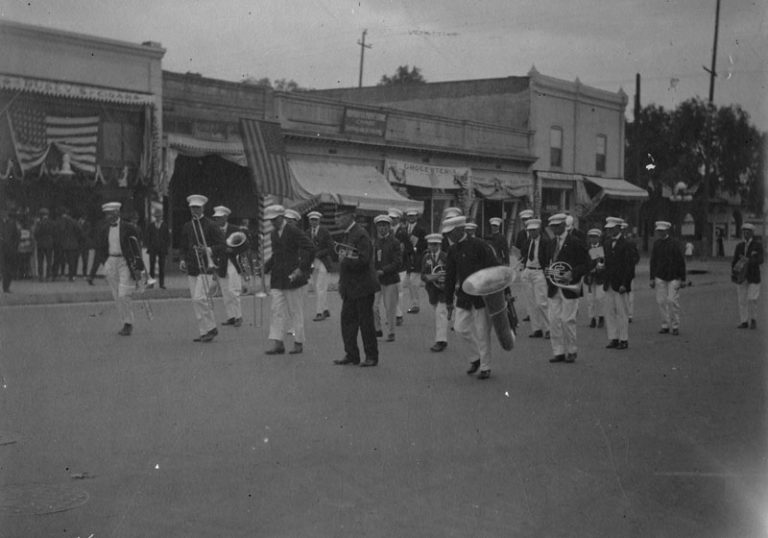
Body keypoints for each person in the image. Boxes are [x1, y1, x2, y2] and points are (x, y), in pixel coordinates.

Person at [443, 216, 499, 379]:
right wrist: (448, 300)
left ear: (460, 230)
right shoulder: (453, 250)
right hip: (464, 295)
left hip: (483, 296)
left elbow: (494, 267)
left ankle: (485, 367)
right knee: (460, 329)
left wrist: (499, 292)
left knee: (482, 332)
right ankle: (476, 358)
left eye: (450, 233)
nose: (448, 237)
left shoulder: (480, 245)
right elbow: (450, 276)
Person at [263, 204, 313, 355]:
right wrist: (265, 267)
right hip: (278, 278)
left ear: (281, 217)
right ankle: (278, 343)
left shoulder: (292, 230)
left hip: (293, 277)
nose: (272, 223)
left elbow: (310, 248)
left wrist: (301, 268)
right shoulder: (273, 234)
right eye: (270, 220)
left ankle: (298, 342)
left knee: (295, 311)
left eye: (275, 219)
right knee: (276, 310)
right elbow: (276, 255)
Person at [333, 208, 380, 367]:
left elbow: (364, 260)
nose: (336, 219)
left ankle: (371, 356)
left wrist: (345, 261)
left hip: (363, 287)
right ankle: (351, 354)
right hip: (350, 287)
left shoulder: (360, 234)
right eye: (335, 216)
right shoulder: (348, 234)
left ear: (349, 216)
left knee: (365, 323)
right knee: (347, 322)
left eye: (339, 216)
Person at [179, 194, 225, 343]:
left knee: (200, 298)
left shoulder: (211, 225)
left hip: (206, 267)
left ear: (203, 208)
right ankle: (204, 331)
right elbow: (183, 246)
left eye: (197, 208)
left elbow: (223, 246)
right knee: (196, 301)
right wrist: (182, 259)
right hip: (192, 267)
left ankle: (211, 328)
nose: (195, 210)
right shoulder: (187, 226)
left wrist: (208, 249)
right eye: (192, 208)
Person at [544, 213, 590, 363]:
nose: (554, 229)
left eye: (556, 226)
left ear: (564, 226)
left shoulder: (575, 242)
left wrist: (572, 273)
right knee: (553, 320)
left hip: (570, 286)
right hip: (554, 286)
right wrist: (548, 271)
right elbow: (549, 263)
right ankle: (558, 352)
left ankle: (571, 351)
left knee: (567, 320)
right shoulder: (551, 243)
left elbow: (588, 263)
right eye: (552, 227)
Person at [94, 202, 144, 335]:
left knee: (124, 293)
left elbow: (136, 248)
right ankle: (125, 322)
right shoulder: (103, 228)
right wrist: (105, 262)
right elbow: (100, 246)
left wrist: (139, 268)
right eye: (107, 214)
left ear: (118, 213)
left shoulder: (129, 228)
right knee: (116, 294)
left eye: (112, 213)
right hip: (111, 260)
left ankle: (129, 323)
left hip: (124, 261)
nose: (109, 216)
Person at [602, 216, 635, 350]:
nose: (608, 231)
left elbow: (629, 266)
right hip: (609, 282)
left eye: (611, 229)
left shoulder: (627, 244)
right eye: (607, 229)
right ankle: (613, 338)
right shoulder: (606, 243)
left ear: (617, 228)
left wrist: (624, 283)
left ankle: (623, 339)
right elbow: (602, 260)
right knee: (609, 312)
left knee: (622, 312)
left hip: (620, 283)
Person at [649, 221, 686, 335]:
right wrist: (651, 278)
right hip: (660, 276)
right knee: (661, 301)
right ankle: (664, 324)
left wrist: (683, 278)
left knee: (672, 301)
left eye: (662, 231)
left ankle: (675, 325)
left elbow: (680, 261)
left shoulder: (675, 243)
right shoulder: (657, 244)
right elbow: (653, 261)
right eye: (659, 231)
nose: (660, 233)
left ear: (667, 231)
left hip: (673, 276)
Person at [213, 205, 244, 328]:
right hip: (221, 263)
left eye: (219, 217)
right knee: (225, 292)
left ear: (225, 217)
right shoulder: (214, 230)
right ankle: (231, 316)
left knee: (233, 291)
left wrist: (234, 250)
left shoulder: (235, 229)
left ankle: (238, 316)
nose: (217, 220)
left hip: (232, 262)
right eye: (216, 218)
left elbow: (244, 245)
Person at [372, 214, 402, 342]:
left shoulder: (395, 242)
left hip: (390, 279)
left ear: (389, 227)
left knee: (390, 308)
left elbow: (397, 262)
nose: (382, 228)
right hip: (377, 280)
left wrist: (383, 270)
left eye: (384, 226)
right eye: (380, 226)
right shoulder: (376, 242)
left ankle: (391, 332)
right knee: (373, 306)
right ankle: (377, 329)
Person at [520, 218, 551, 339]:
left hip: (539, 272)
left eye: (533, 230)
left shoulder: (545, 242)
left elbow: (548, 257)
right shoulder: (528, 242)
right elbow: (524, 254)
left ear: (538, 230)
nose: (531, 233)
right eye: (529, 230)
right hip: (528, 271)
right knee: (531, 303)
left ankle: (548, 328)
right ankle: (536, 328)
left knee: (541, 302)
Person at [421, 233, 449, 352]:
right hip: (432, 290)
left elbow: (452, 273)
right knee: (438, 312)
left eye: (435, 244)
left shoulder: (445, 256)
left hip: (444, 289)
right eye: (431, 244)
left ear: (440, 244)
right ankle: (442, 337)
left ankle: (441, 341)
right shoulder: (426, 258)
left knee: (440, 313)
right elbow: (423, 275)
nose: (433, 247)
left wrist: (444, 279)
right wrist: (435, 277)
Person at [732, 223, 763, 329]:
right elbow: (735, 261)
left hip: (753, 276)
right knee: (742, 299)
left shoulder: (757, 245)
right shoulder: (739, 246)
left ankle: (753, 319)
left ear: (752, 233)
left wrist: (750, 261)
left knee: (752, 298)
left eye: (748, 232)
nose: (746, 233)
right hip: (742, 276)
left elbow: (761, 259)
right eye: (744, 231)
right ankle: (744, 321)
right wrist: (734, 274)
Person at [307, 211, 333, 321]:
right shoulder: (307, 232)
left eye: (315, 220)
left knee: (320, 287)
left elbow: (330, 247)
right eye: (312, 220)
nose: (313, 222)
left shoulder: (324, 232)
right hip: (312, 262)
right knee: (316, 287)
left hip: (323, 261)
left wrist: (319, 253)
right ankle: (325, 309)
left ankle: (319, 312)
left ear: (319, 221)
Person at [402, 208, 427, 314]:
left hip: (417, 258)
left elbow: (424, 244)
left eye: (413, 216)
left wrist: (416, 249)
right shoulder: (404, 229)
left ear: (417, 217)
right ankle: (413, 303)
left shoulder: (421, 229)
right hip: (406, 258)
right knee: (407, 283)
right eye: (409, 216)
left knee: (414, 283)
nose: (411, 218)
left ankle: (415, 305)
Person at [584, 228, 606, 328]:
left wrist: (596, 270)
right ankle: (592, 318)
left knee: (600, 298)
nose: (593, 239)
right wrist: (587, 272)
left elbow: (601, 263)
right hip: (589, 278)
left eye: (595, 237)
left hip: (600, 277)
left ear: (599, 238)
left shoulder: (602, 248)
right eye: (591, 237)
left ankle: (601, 316)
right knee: (590, 300)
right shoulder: (586, 248)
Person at [389, 207, 406, 326]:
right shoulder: (387, 232)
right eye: (390, 218)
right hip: (390, 266)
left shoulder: (403, 232)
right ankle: (395, 314)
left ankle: (398, 315)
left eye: (394, 218)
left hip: (401, 266)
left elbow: (407, 249)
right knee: (391, 291)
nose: (392, 220)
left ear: (399, 219)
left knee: (398, 290)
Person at [145, 208, 170, 289]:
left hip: (162, 249)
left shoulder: (165, 226)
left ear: (161, 216)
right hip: (153, 248)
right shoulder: (151, 226)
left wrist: (166, 248)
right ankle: (151, 283)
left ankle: (161, 284)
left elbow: (167, 238)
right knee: (152, 267)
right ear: (154, 217)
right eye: (156, 216)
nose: (158, 218)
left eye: (159, 216)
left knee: (161, 267)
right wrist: (149, 246)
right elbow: (148, 237)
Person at [56, 207, 82, 281]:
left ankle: (56, 275)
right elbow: (80, 231)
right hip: (72, 244)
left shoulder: (59, 221)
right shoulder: (74, 221)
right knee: (71, 261)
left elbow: (57, 231)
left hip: (61, 243)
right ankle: (71, 276)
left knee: (59, 259)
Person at [0, 207, 20, 292]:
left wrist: (14, 247)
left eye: (5, 211)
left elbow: (17, 236)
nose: (3, 213)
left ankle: (6, 287)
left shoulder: (12, 223)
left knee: (9, 269)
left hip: (9, 250)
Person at [34, 208, 56, 281]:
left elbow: (36, 233)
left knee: (40, 261)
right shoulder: (52, 222)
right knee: (49, 260)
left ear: (41, 215)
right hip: (49, 243)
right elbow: (54, 233)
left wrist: (38, 239)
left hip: (40, 244)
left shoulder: (39, 223)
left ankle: (41, 276)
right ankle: (48, 276)